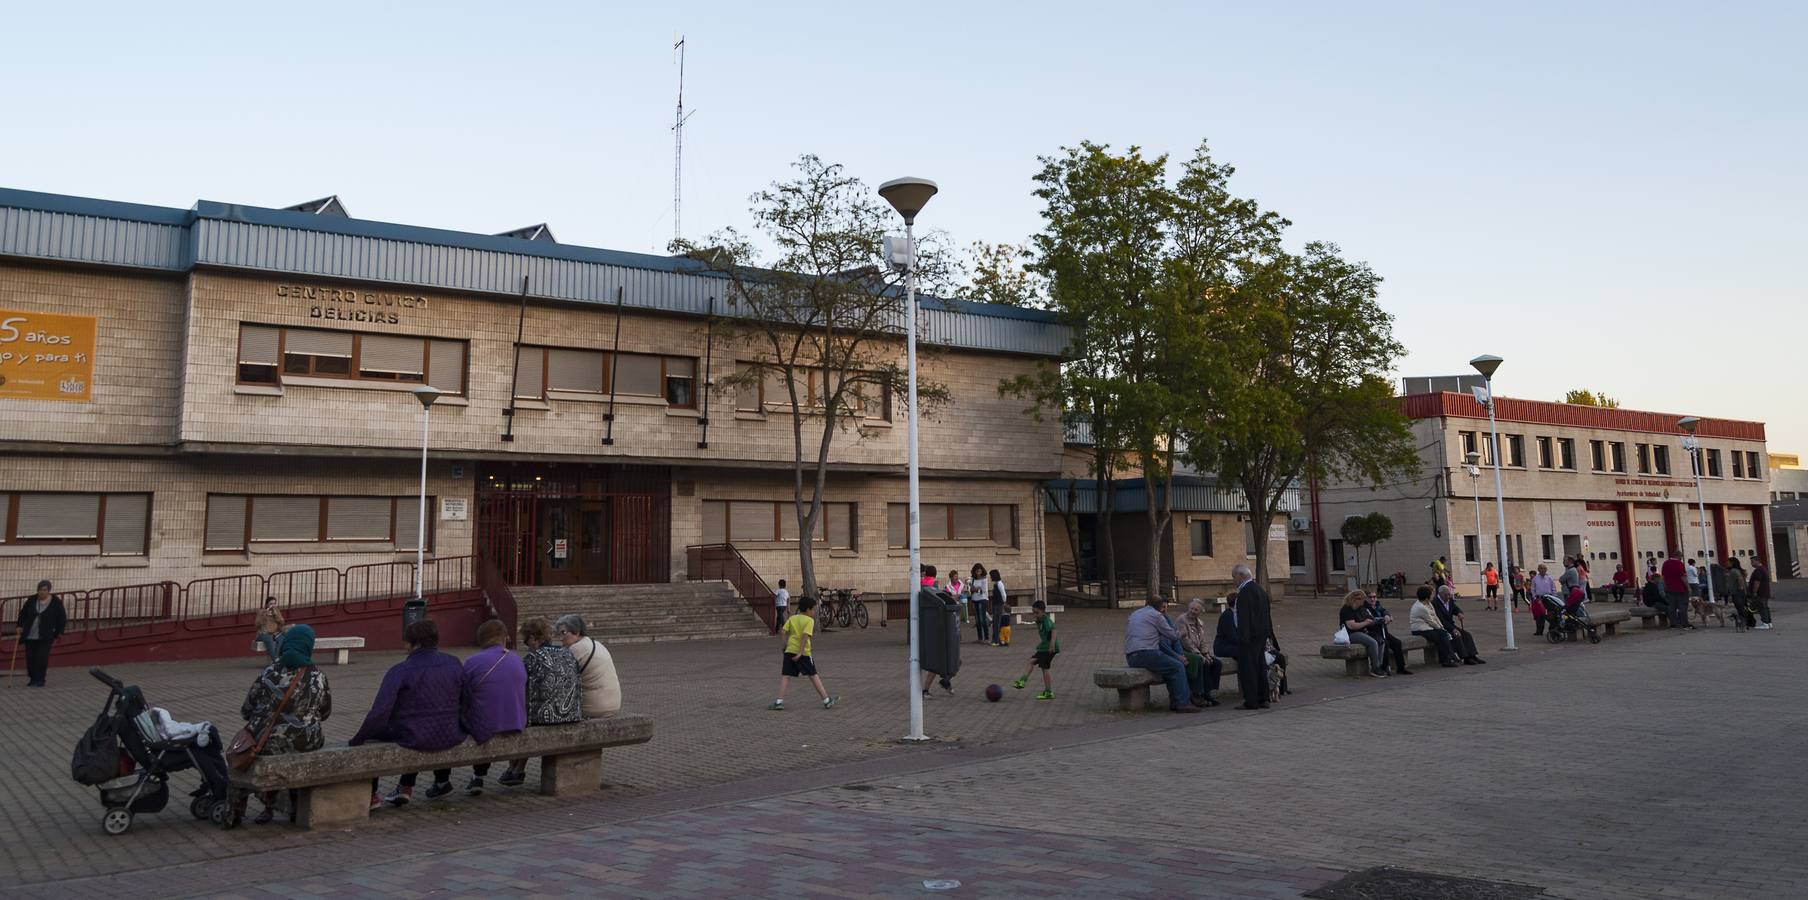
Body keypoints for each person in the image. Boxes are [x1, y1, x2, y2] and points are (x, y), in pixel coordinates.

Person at [350, 619, 467, 809]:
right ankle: (425, 783)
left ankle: (372, 794)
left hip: (413, 734)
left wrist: (360, 737)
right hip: (450, 732)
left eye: (405, 642)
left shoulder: (401, 670)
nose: (404, 647)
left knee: (374, 738)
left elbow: (380, 711)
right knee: (433, 723)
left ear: (414, 643)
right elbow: (465, 698)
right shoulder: (453, 663)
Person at [238, 624, 332, 824]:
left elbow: (247, 709)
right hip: (307, 741)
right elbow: (325, 712)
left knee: (269, 748)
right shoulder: (318, 676)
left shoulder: (268, 673)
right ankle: (295, 805)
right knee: (295, 748)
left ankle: (268, 807)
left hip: (267, 742)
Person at [497, 615, 581, 787]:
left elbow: (519, 688)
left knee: (521, 718)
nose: (526, 645)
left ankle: (515, 769)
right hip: (572, 713)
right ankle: (515, 770)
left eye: (526, 641)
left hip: (546, 716)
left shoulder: (532, 658)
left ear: (534, 638)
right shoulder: (567, 653)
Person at [454, 620, 528, 796]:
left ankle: (476, 776)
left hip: (486, 726)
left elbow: (461, 693)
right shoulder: (517, 660)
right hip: (516, 722)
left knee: (476, 715)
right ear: (504, 638)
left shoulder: (472, 661)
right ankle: (478, 776)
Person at [1124, 596, 1201, 714]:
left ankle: (1176, 701)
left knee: (1169, 666)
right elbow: (1173, 636)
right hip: (1147, 653)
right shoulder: (1157, 616)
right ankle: (1183, 703)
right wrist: (1181, 633)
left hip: (1131, 656)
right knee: (1177, 667)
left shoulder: (1135, 613)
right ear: (1159, 606)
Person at [771, 596, 836, 710]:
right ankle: (826, 700)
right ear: (807, 610)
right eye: (813, 609)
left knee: (786, 675)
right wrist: (800, 653)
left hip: (789, 650)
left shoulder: (792, 618)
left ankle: (779, 701)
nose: (814, 612)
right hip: (804, 653)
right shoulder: (809, 621)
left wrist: (784, 646)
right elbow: (805, 637)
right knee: (813, 675)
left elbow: (782, 631)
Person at [555, 614, 621, 718]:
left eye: (564, 633)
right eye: (559, 634)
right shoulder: (596, 643)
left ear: (576, 632)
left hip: (594, 707)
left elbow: (559, 678)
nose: (561, 638)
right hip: (613, 704)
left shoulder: (576, 649)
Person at [1231, 564, 1275, 710]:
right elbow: (1266, 614)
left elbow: (1244, 617)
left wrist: (1243, 636)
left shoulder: (1245, 592)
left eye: (1234, 577)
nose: (1233, 580)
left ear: (1241, 576)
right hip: (1261, 634)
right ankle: (1263, 698)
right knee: (1260, 665)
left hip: (1249, 636)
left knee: (1249, 668)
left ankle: (1251, 700)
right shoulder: (1259, 590)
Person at [15, 580, 67, 687]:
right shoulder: (32, 599)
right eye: (40, 590)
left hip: (46, 635)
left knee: (41, 658)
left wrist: (59, 631)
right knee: (30, 658)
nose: (41, 592)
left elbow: (61, 617)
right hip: (30, 635)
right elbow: (23, 613)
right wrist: (19, 625)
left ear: (49, 591)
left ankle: (40, 680)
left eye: (44, 590)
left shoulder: (55, 602)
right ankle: (33, 679)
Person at [1172, 598, 1222, 706]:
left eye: (1196, 610)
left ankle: (1209, 691)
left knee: (1216, 663)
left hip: (1197, 650)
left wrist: (1206, 653)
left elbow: (1202, 641)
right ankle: (1198, 693)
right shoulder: (1182, 620)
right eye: (1192, 608)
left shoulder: (1199, 622)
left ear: (1200, 612)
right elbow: (1186, 642)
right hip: (1184, 650)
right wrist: (1200, 655)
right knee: (1201, 661)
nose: (1193, 611)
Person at [1011, 600, 1061, 701]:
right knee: (1031, 661)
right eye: (1033, 612)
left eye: (1037, 612)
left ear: (1043, 612)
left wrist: (1052, 643)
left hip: (1049, 648)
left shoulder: (1046, 621)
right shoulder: (1039, 618)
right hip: (1043, 647)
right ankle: (1022, 682)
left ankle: (1048, 692)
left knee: (1044, 668)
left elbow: (1054, 630)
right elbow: (1030, 615)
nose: (1035, 614)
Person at [1337, 590, 1388, 678]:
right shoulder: (1347, 609)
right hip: (1350, 634)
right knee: (1372, 642)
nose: (1362, 602)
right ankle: (1374, 668)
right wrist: (1365, 623)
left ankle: (1379, 665)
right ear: (1354, 599)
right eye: (1360, 599)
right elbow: (1351, 626)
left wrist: (1376, 620)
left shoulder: (1361, 608)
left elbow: (1369, 618)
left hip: (1362, 631)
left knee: (1381, 640)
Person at [1409, 586, 1461, 667]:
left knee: (1443, 635)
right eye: (1432, 594)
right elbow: (1431, 621)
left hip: (1428, 627)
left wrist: (1441, 628)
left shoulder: (1428, 604)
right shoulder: (1420, 607)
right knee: (1442, 636)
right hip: (1420, 629)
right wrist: (1440, 629)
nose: (1433, 595)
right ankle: (1448, 658)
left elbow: (1435, 617)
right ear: (1427, 597)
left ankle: (1449, 657)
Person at [1435, 585, 1486, 665]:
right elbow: (1440, 620)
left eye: (1449, 594)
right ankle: (1465, 658)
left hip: (1450, 625)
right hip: (1442, 626)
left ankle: (1472, 655)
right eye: (1446, 595)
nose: (1448, 597)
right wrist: (1452, 629)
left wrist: (1459, 613)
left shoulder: (1449, 600)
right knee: (1457, 635)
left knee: (1467, 635)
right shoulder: (1435, 602)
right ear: (1440, 594)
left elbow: (1455, 608)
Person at [1364, 592, 1413, 675]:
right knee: (1385, 644)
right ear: (1366, 598)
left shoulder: (1378, 605)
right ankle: (1384, 667)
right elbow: (1370, 619)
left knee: (1397, 643)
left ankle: (1401, 667)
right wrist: (1381, 620)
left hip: (1383, 630)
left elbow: (1384, 611)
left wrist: (1387, 615)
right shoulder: (1365, 608)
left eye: (1374, 597)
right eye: (1370, 597)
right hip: (1373, 632)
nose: (1372, 599)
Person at [1661, 552, 1694, 630]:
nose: (1681, 558)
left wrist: (1666, 586)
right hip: (1680, 588)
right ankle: (1684, 624)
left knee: (1672, 606)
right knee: (1682, 606)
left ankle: (1674, 624)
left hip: (1670, 588)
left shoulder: (1665, 563)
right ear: (1678, 556)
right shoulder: (1679, 564)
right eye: (1681, 556)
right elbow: (1683, 577)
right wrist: (1688, 587)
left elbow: (1663, 576)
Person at [254, 596, 285, 663]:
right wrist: (264, 616)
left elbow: (282, 622)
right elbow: (257, 624)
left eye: (274, 603)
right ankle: (276, 660)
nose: (273, 605)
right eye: (271, 604)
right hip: (263, 633)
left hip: (275, 633)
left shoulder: (276, 611)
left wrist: (276, 615)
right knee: (269, 639)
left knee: (281, 639)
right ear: (267, 604)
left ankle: (276, 658)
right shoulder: (261, 612)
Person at [1747, 558, 1773, 630]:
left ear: (1757, 561)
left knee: (1761, 607)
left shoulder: (1759, 570)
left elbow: (1757, 582)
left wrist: (1755, 592)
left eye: (1752, 561)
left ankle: (1765, 623)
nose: (1751, 563)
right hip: (1765, 592)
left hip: (1760, 593)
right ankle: (1769, 622)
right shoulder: (1763, 569)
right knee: (1765, 607)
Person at [968, 564, 991, 644]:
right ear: (974, 571)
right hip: (975, 600)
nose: (978, 571)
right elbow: (970, 590)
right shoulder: (973, 579)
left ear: (982, 570)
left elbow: (983, 590)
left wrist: (975, 589)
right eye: (977, 570)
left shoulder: (984, 579)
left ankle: (987, 638)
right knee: (977, 620)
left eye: (980, 570)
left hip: (982, 600)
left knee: (982, 619)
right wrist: (974, 589)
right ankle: (980, 638)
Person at [989, 569, 1008, 646]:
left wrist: (1003, 602)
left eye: (991, 576)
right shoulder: (996, 584)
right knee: (995, 622)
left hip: (998, 605)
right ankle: (995, 639)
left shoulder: (999, 584)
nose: (990, 578)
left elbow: (1004, 594)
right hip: (995, 604)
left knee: (997, 622)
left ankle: (996, 640)